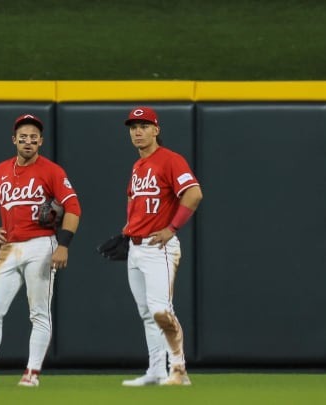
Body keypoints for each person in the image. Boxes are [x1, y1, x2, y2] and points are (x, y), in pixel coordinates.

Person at [0, 113, 81, 388]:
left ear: (41, 142)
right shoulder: (2, 170)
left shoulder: (52, 171)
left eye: (33, 137)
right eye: (23, 137)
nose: (28, 141)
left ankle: (32, 373)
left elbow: (73, 208)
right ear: (14, 140)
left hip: (41, 246)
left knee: (38, 312)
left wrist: (63, 245)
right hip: (9, 248)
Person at [120, 106, 202, 386]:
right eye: (133, 127)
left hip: (159, 249)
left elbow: (193, 193)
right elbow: (136, 201)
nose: (138, 131)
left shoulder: (170, 160)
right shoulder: (138, 165)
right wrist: (128, 230)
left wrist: (172, 228)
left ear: (156, 130)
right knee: (146, 313)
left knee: (161, 311)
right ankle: (156, 370)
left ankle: (179, 370)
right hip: (136, 247)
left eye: (144, 126)